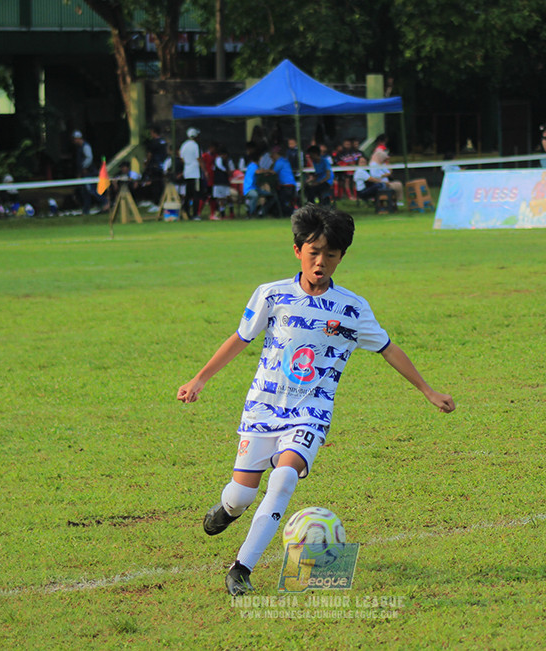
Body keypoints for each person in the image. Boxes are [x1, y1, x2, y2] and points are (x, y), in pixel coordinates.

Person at [177, 205, 456, 595]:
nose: (321, 261)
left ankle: (241, 568)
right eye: (313, 252)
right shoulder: (271, 295)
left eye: (330, 254)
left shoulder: (353, 308)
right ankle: (227, 510)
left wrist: (429, 390)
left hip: (311, 413)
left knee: (284, 478)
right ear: (297, 251)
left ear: (342, 257)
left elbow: (389, 349)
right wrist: (199, 379)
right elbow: (240, 339)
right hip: (262, 408)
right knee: (240, 495)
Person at [179, 127, 203, 221]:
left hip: (187, 173)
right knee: (196, 194)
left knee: (188, 195)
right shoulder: (195, 145)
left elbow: (182, 158)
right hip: (195, 173)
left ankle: (186, 212)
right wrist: (204, 169)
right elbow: (199, 158)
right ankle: (195, 214)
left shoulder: (184, 145)